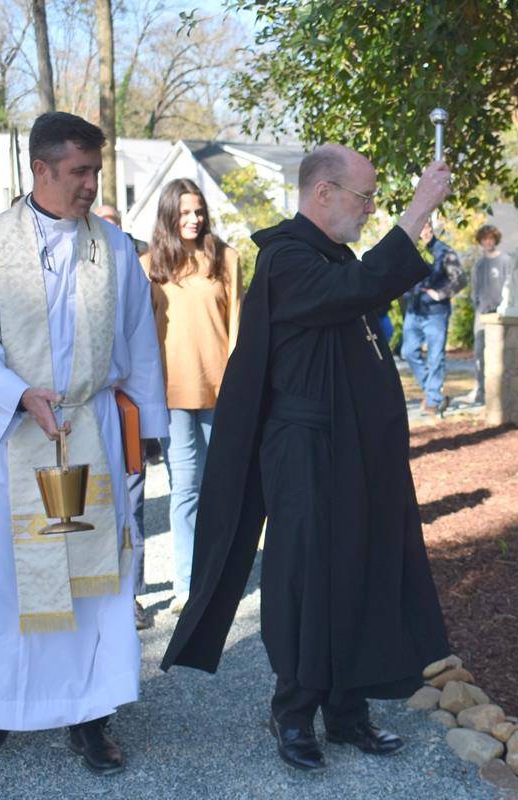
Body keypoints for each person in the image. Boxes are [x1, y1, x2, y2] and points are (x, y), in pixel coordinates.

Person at [162, 145, 452, 772]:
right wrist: (417, 211)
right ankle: (293, 712)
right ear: (323, 192)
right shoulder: (287, 258)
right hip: (303, 450)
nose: (368, 210)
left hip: (349, 447)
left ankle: (347, 710)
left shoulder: (330, 255)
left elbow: (359, 292)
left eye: (375, 201)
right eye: (363, 198)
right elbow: (353, 290)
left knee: (358, 565)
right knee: (305, 579)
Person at [0, 112, 167, 774]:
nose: (91, 184)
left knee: (91, 582)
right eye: (78, 172)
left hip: (86, 430)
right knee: (5, 580)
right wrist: (17, 392)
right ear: (40, 170)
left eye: (95, 171)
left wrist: (148, 428)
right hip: (12, 437)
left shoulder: (114, 250)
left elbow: (139, 343)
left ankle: (90, 715)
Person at [141, 178, 242, 616]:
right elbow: (142, 334)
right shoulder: (149, 265)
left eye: (198, 211)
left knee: (224, 488)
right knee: (186, 489)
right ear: (169, 215)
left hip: (222, 390)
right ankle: (187, 585)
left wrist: (241, 382)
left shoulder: (226, 258)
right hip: (173, 394)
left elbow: (238, 321)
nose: (193, 219)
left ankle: (220, 578)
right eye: (184, 212)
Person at [94, 203, 153, 630]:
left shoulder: (135, 272)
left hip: (122, 406)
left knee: (130, 504)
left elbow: (145, 336)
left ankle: (131, 594)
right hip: (73, 410)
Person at [400, 218, 459, 414]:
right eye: (419, 227)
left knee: (435, 356)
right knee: (408, 352)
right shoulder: (409, 251)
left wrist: (439, 294)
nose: (423, 231)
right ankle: (434, 392)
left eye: (426, 227)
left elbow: (459, 279)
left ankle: (433, 400)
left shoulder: (444, 251)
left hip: (436, 313)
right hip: (414, 310)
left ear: (431, 228)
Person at [461, 223, 509, 405]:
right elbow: (475, 289)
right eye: (484, 240)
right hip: (481, 313)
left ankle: (501, 390)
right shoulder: (479, 265)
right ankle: (480, 390)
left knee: (502, 352)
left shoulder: (505, 260)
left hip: (501, 314)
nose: (487, 242)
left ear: (495, 240)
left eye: (490, 239)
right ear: (480, 242)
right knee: (479, 353)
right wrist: (479, 306)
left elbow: (510, 284)